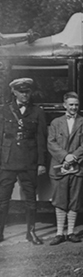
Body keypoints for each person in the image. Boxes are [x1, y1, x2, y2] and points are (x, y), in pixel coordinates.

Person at [0, 78, 47, 244]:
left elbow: (41, 139)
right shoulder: (4, 110)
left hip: (29, 161)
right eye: (21, 92)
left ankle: (31, 233)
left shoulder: (37, 112)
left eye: (27, 92)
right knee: (3, 199)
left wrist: (41, 163)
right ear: (14, 92)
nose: (25, 95)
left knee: (31, 199)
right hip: (8, 160)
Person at [46, 92, 83, 245]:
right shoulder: (55, 122)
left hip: (77, 167)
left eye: (76, 105)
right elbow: (51, 143)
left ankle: (71, 232)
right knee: (60, 199)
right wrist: (65, 157)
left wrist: (74, 157)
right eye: (71, 104)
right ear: (65, 105)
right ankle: (59, 233)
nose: (74, 107)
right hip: (59, 167)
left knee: (74, 199)